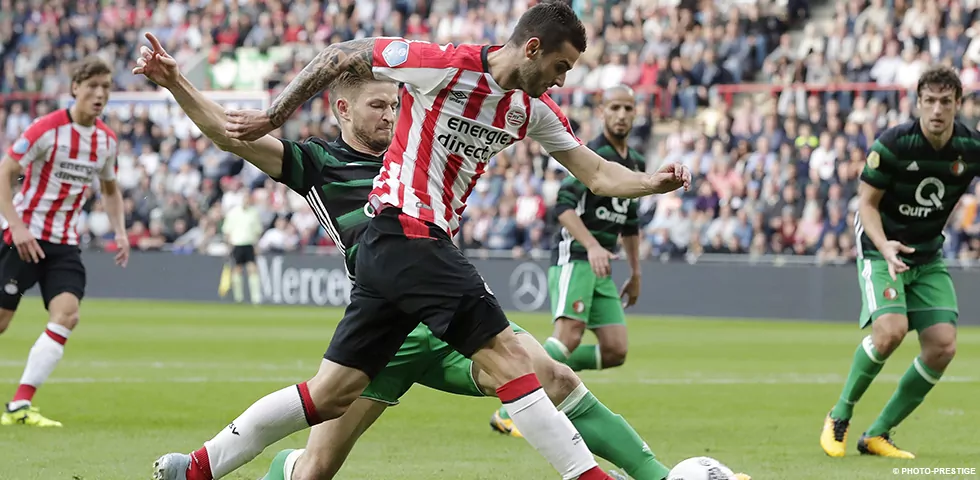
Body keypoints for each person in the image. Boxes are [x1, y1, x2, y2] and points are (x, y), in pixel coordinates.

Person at [131, 32, 726, 480]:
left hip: (429, 293)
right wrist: (180, 82)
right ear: (342, 110)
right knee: (317, 460)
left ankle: (653, 475)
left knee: (546, 373)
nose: (391, 115)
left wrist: (650, 182)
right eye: (376, 107)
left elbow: (592, 169)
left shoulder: (434, 133)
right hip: (400, 280)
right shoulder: (319, 163)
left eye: (395, 105)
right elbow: (228, 132)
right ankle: (252, 467)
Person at [819, 65, 969, 459]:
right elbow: (866, 204)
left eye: (946, 102)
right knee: (890, 331)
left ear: (958, 105)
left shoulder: (969, 148)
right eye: (930, 101)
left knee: (943, 346)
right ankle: (839, 415)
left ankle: (878, 435)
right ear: (918, 103)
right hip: (878, 244)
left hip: (927, 253)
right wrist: (884, 246)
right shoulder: (894, 144)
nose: (937, 109)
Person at [490, 84, 645, 437]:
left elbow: (631, 224)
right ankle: (508, 409)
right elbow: (562, 207)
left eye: (627, 108)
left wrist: (636, 272)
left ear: (635, 113)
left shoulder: (635, 164)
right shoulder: (594, 157)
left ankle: (544, 371)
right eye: (615, 108)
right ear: (602, 111)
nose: (621, 115)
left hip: (604, 264)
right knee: (568, 336)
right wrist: (590, 245)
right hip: (577, 256)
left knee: (615, 349)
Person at [0, 56, 130, 428]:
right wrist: (17, 225)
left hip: (63, 244)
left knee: (67, 314)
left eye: (106, 87)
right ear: (75, 88)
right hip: (23, 237)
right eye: (92, 86)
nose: (100, 93)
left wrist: (119, 230)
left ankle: (20, 405)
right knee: (2, 321)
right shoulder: (46, 129)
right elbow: (5, 172)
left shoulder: (105, 140)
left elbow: (109, 188)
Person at [222, 192, 264, 305]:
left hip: (249, 244)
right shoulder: (233, 213)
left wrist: (256, 245)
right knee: (237, 270)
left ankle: (256, 298)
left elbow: (257, 231)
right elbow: (227, 231)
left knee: (252, 270)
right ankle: (238, 298)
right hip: (237, 244)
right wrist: (229, 246)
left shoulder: (254, 213)